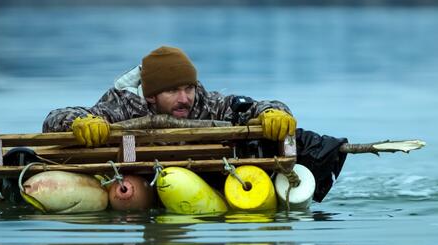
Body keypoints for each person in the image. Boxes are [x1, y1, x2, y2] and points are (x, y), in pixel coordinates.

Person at [43, 45, 347, 202]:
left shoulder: (208, 103)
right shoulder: (122, 106)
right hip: (138, 183)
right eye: (173, 90)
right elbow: (55, 118)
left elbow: (255, 105)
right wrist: (83, 121)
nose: (184, 98)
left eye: (188, 87)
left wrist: (274, 113)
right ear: (151, 96)